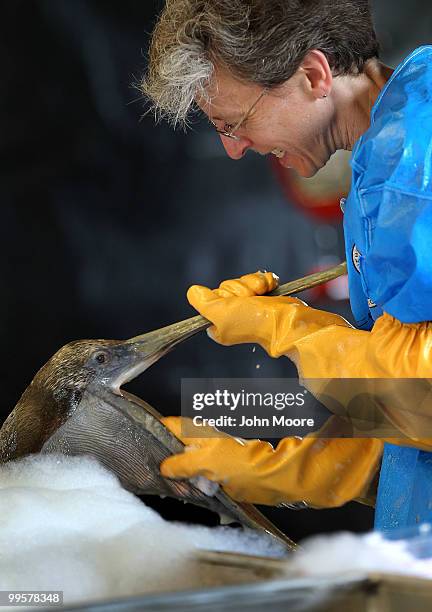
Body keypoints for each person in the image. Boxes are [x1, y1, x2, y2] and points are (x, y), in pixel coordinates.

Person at [142, 0, 432, 530]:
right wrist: (293, 468)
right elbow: (405, 394)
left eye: (235, 123)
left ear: (313, 73)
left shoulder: (411, 176)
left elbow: (422, 394)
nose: (234, 149)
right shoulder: (392, 147)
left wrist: (287, 329)